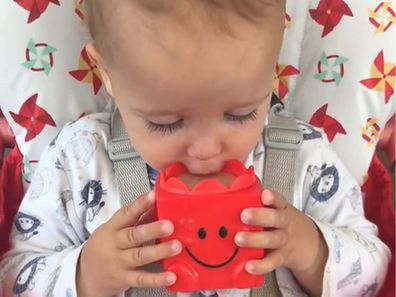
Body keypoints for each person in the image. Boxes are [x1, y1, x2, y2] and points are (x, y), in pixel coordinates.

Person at [0, 1, 390, 297]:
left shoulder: (303, 159)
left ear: (269, 70)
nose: (205, 151)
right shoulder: (79, 161)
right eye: (166, 122)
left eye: (239, 114)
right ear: (108, 75)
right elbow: (15, 278)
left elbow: (374, 270)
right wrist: (85, 274)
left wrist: (310, 249)